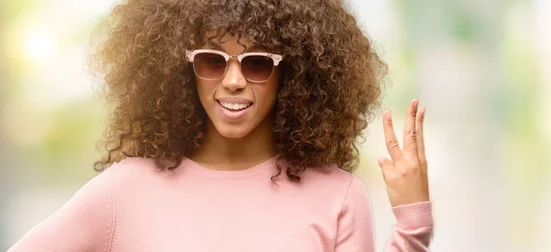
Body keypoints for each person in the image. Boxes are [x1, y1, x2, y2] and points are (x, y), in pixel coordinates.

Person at [8, 0, 433, 251]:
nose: (233, 80)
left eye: (257, 63)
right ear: (184, 69)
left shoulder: (337, 196)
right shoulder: (125, 190)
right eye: (212, 60)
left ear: (295, 73)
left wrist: (413, 227)